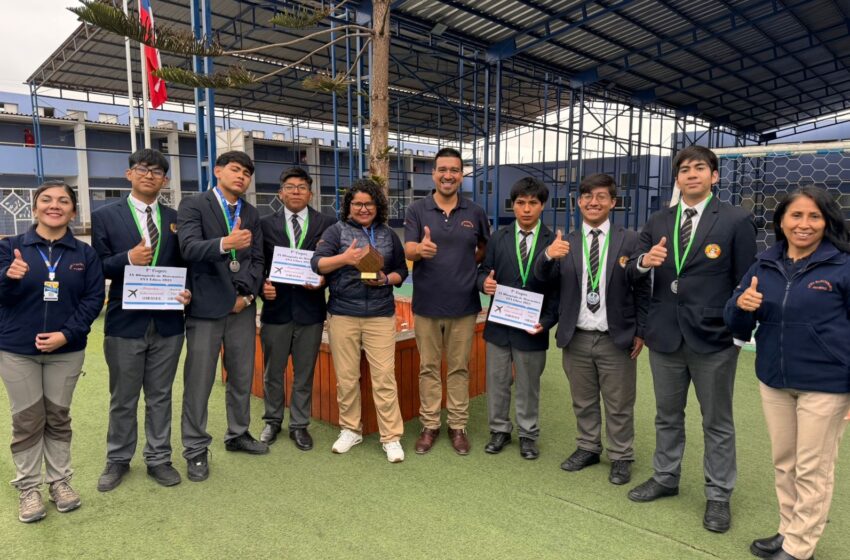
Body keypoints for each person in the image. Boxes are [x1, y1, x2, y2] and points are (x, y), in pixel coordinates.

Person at [626, 145, 757, 533]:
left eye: (700, 168)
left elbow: (747, 281)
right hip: (665, 336)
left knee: (717, 422)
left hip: (714, 338)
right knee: (667, 415)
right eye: (684, 169)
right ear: (677, 178)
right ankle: (665, 477)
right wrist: (642, 262)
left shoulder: (735, 220)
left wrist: (738, 334)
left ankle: (718, 495)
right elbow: (630, 268)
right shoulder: (659, 220)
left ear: (714, 176)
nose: (692, 174)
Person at [725, 186, 850, 560]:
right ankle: (788, 530)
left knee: (813, 469)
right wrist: (742, 305)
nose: (804, 224)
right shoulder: (764, 264)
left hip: (825, 384)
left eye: (814, 216)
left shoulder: (843, 266)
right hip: (775, 380)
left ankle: (799, 547)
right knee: (785, 463)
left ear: (826, 222)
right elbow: (735, 321)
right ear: (781, 221)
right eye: (796, 215)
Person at [534, 173, 648, 484]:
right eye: (586, 196)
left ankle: (621, 455)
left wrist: (641, 330)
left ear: (613, 202)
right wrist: (547, 256)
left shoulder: (630, 240)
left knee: (619, 403)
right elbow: (542, 279)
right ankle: (588, 447)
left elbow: (643, 288)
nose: (593, 202)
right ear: (578, 202)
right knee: (582, 400)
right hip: (577, 336)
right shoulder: (566, 242)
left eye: (600, 197)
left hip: (616, 337)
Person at [0, 181, 104, 523]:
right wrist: (8, 277)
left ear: (73, 212)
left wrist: (66, 334)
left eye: (63, 201)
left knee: (58, 416)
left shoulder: (85, 254)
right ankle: (28, 487)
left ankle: (60, 481)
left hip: (66, 350)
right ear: (35, 208)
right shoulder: (10, 247)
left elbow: (93, 300)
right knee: (27, 418)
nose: (54, 205)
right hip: (17, 349)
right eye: (46, 200)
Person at [92, 149, 191, 492]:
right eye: (142, 169)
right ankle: (118, 458)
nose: (149, 175)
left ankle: (158, 458)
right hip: (125, 321)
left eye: (157, 171)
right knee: (123, 397)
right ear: (129, 174)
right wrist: (128, 258)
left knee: (160, 395)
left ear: (166, 180)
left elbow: (187, 265)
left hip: (168, 322)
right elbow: (97, 265)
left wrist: (188, 292)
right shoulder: (105, 216)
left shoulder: (177, 218)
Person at [177, 150, 266, 482]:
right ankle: (195, 447)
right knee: (199, 381)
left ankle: (238, 433)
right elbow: (188, 248)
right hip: (205, 308)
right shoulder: (194, 205)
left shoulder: (251, 213)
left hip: (242, 308)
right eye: (235, 169)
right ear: (217, 171)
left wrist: (246, 296)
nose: (241, 176)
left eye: (247, 173)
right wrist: (225, 243)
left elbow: (257, 260)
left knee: (241, 375)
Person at [311, 179, 408, 462]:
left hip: (380, 314)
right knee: (347, 377)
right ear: (348, 206)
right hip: (343, 313)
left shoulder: (388, 234)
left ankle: (391, 437)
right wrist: (345, 258)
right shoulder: (336, 231)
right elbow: (317, 263)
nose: (363, 209)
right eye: (357, 204)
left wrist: (386, 279)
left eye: (369, 203)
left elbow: (401, 270)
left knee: (384, 377)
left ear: (378, 206)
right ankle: (351, 430)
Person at [404, 147, 490, 455]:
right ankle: (430, 425)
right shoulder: (417, 210)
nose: (448, 175)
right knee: (428, 368)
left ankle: (457, 426)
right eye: (442, 169)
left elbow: (484, 248)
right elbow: (409, 248)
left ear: (461, 175)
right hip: (427, 304)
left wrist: (465, 267)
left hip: (464, 305)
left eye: (454, 170)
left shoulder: (475, 212)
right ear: (433, 174)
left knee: (458, 369)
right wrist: (420, 251)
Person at [477, 177, 558, 460]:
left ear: (542, 205)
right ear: (512, 205)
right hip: (500, 325)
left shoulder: (554, 242)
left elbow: (559, 289)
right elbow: (483, 271)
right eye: (521, 202)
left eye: (532, 203)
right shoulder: (498, 238)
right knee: (497, 382)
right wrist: (483, 283)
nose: (526, 209)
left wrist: (546, 322)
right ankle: (499, 429)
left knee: (528, 385)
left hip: (532, 328)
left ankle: (528, 434)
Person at [258, 167, 335, 450]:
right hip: (276, 309)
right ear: (280, 193)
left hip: (310, 310)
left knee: (304, 373)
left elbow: (333, 262)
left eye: (302, 187)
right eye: (290, 187)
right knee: (273, 372)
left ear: (310, 193)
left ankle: (299, 425)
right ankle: (272, 420)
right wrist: (261, 288)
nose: (296, 192)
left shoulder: (327, 223)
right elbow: (257, 262)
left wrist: (324, 280)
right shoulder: (264, 224)